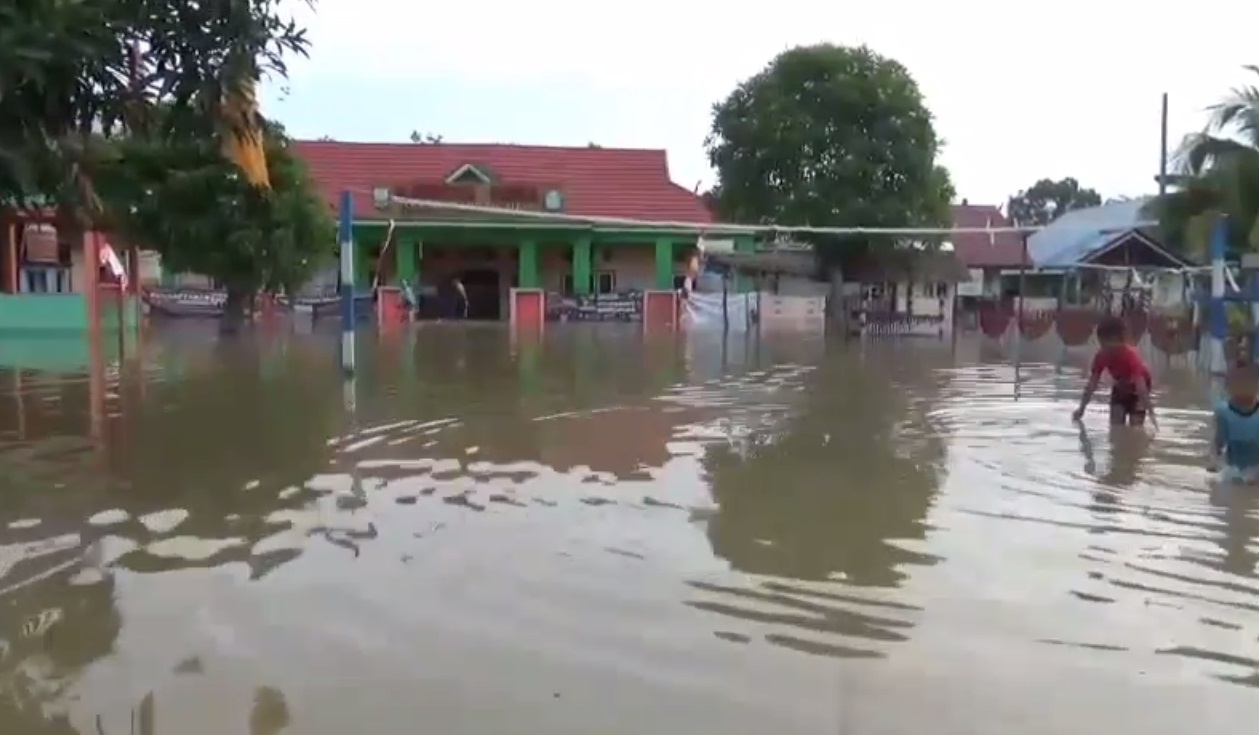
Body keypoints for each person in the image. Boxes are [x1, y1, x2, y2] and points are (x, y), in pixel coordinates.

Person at [1071, 315, 1153, 426]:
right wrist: (1081, 409)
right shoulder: (1101, 356)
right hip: (1121, 387)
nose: (1105, 348)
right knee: (1116, 426)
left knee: (1136, 427)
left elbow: (1141, 387)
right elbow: (1092, 384)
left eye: (1106, 343)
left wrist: (1151, 414)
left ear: (1120, 341)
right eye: (1102, 343)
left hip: (1139, 391)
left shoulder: (1131, 356)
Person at [1211, 361, 1259, 482]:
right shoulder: (1223, 412)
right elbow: (1217, 445)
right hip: (1232, 473)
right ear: (1228, 386)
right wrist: (1214, 463)